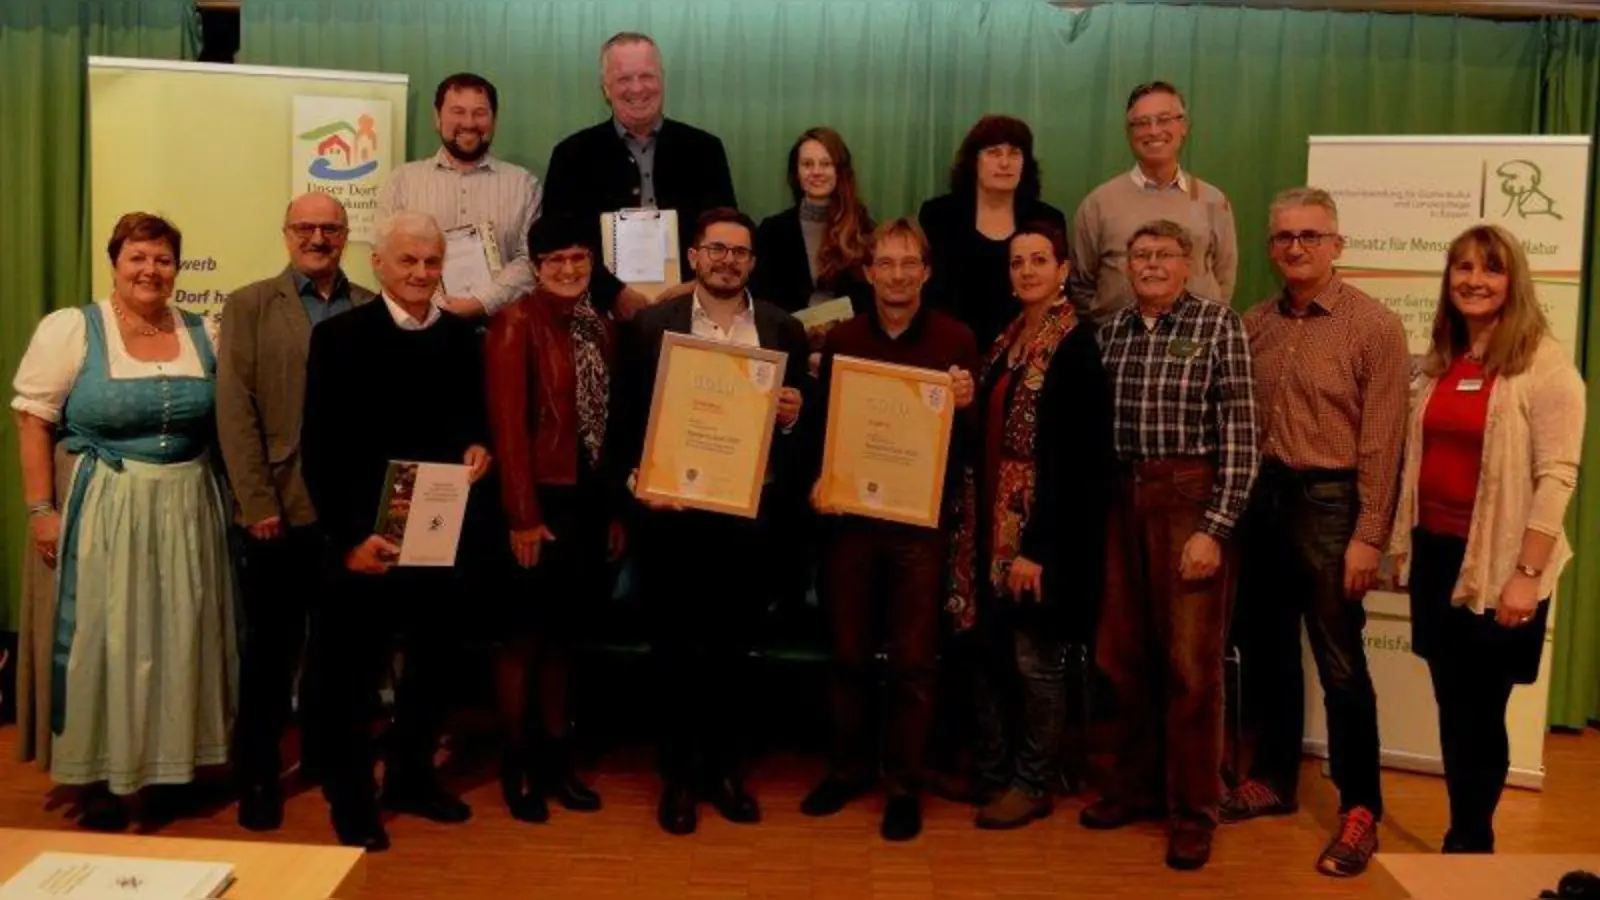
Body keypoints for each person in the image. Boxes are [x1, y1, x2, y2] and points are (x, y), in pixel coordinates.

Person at [11, 212, 238, 831]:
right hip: (107, 503)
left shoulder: (203, 330)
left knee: (179, 633)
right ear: (115, 262)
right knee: (107, 639)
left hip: (190, 503)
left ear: (177, 269)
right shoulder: (74, 329)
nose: (150, 270)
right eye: (138, 257)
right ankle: (101, 779)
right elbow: (33, 419)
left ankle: (170, 770)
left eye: (163, 259)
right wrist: (40, 510)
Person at [1227, 188, 1409, 876]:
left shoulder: (1375, 326)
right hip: (1264, 501)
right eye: (1282, 238)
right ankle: (1273, 781)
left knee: (1340, 665)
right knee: (1269, 653)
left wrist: (1370, 536)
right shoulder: (1254, 322)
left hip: (1333, 506)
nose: (1295, 248)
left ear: (1338, 244)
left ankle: (1360, 809)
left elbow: (1384, 443)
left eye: (1309, 236)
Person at [300, 210, 495, 851]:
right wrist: (348, 541)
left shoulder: (464, 339)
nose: (420, 273)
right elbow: (320, 452)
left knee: (434, 666)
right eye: (407, 261)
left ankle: (411, 778)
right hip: (368, 543)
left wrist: (478, 449)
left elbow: (474, 425)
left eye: (431, 262)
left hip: (442, 533)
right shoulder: (339, 339)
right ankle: (351, 798)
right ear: (378, 264)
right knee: (353, 677)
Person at [1390, 224, 1584, 854]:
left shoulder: (1544, 365)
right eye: (1463, 268)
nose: (1474, 281)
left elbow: (1557, 475)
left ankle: (1471, 840)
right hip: (1439, 554)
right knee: (1453, 702)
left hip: (1504, 562)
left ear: (1513, 281)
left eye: (1491, 270)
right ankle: (1462, 825)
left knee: (1482, 707)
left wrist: (1526, 574)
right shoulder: (1442, 360)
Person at [618, 207, 808, 836]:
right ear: (694, 256)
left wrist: (790, 417)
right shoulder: (651, 326)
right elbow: (627, 423)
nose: (728, 261)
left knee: (734, 651)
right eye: (716, 249)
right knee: (675, 651)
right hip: (674, 519)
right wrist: (636, 482)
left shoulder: (782, 328)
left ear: (753, 262)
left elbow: (802, 437)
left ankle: (726, 772)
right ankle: (678, 777)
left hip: (749, 523)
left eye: (740, 252)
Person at [1082, 219, 1258, 871]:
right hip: (1122, 499)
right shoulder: (1111, 335)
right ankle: (1132, 788)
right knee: (1121, 655)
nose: (1151, 264)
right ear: (1127, 266)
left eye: (1164, 254)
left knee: (1191, 667)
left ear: (1189, 264)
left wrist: (1215, 528)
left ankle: (1193, 812)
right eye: (1140, 254)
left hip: (1190, 498)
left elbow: (1242, 436)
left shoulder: (1219, 326)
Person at [800, 217, 980, 842]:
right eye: (886, 264)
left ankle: (904, 785)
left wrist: (966, 405)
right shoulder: (842, 340)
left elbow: (971, 448)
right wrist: (820, 482)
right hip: (850, 522)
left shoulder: (957, 341)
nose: (898, 275)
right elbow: (822, 430)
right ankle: (847, 770)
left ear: (926, 272)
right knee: (847, 654)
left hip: (919, 528)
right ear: (868, 272)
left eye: (910, 264)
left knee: (912, 662)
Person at [216, 193, 377, 832]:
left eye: (330, 227)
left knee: (339, 656)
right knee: (270, 655)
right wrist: (256, 502)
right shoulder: (251, 305)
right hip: (277, 509)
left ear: (346, 236)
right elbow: (235, 410)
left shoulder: (370, 306)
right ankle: (257, 777)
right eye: (306, 227)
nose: (318, 236)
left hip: (344, 516)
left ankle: (329, 763)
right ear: (286, 233)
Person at [947, 221, 1113, 830]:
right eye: (1017, 262)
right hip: (989, 529)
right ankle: (993, 773)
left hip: (1042, 539)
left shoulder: (1075, 346)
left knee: (1035, 661)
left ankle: (1033, 780)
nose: (1027, 272)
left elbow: (1078, 462)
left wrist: (1037, 548)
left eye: (1039, 260)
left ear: (1064, 269)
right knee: (989, 652)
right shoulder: (1008, 339)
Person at [484, 213, 626, 824]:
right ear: (536, 268)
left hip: (588, 501)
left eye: (578, 259)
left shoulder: (603, 327)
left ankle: (558, 763)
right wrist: (521, 515)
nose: (568, 270)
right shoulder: (514, 322)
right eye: (555, 261)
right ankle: (517, 768)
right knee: (523, 640)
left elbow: (611, 430)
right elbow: (509, 426)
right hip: (537, 502)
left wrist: (615, 509)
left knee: (568, 639)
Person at [544, 32, 737, 320]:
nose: (637, 88)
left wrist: (697, 287)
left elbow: (729, 232)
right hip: (597, 317)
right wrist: (613, 293)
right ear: (605, 88)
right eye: (623, 79)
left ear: (662, 80)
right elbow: (555, 241)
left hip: (694, 313)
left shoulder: (704, 150)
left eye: (647, 76)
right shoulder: (571, 156)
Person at [1070, 82, 1237, 324]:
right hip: (1118, 351)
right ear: (1130, 132)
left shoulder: (1213, 200)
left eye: (1164, 119)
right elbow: (1080, 286)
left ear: (1184, 126)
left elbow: (1224, 278)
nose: (1154, 130)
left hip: (1196, 348)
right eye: (1142, 123)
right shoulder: (1098, 204)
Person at [377, 72, 540, 318]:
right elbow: (385, 253)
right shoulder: (402, 182)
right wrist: (435, 302)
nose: (469, 123)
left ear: (494, 120)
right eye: (457, 111)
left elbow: (530, 258)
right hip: (419, 330)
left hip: (501, 332)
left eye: (479, 113)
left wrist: (482, 302)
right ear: (437, 117)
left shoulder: (525, 184)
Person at [918, 115, 1068, 349]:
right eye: (994, 153)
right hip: (948, 349)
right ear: (974, 161)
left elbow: (1058, 295)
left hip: (1025, 353)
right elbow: (927, 292)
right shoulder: (938, 216)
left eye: (1014, 153)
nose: (1005, 163)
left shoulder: (1048, 219)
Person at [752, 126, 875, 319]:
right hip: (785, 342)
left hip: (846, 342)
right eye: (807, 164)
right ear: (796, 173)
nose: (816, 172)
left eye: (826, 164)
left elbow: (869, 298)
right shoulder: (772, 231)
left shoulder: (864, 228)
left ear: (840, 171)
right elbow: (761, 299)